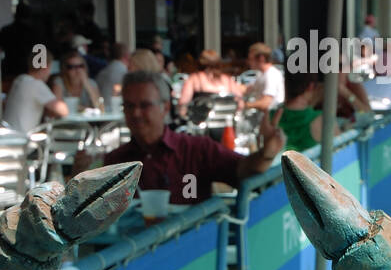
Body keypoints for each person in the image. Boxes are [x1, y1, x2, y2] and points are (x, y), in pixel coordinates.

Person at [102, 72, 284, 202]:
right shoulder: (115, 162)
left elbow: (243, 170)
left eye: (145, 105)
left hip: (194, 248)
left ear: (165, 108)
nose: (136, 113)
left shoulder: (195, 149)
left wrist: (266, 155)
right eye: (129, 106)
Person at [4, 54, 68, 134]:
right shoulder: (36, 85)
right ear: (46, 68)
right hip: (22, 139)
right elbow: (63, 110)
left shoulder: (19, 80)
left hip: (8, 135)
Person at [177, 50, 243, 117]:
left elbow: (183, 102)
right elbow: (241, 103)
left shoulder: (194, 79)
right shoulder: (228, 80)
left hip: (203, 122)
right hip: (226, 121)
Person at [242, 42, 285, 113]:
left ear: (261, 58)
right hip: (264, 116)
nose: (248, 62)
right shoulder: (261, 74)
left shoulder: (271, 75)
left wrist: (245, 105)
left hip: (271, 117)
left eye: (251, 59)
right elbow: (248, 89)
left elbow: (265, 103)